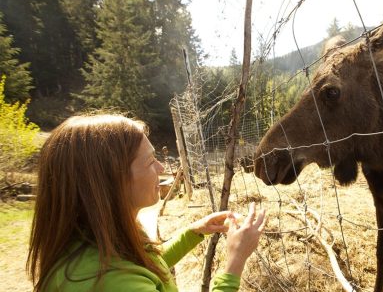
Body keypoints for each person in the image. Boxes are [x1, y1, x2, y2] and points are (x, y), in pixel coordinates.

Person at [26, 113, 266, 291]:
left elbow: (148, 268)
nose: (161, 168)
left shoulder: (93, 245)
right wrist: (235, 261)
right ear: (112, 179)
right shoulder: (113, 283)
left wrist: (193, 232)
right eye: (151, 161)